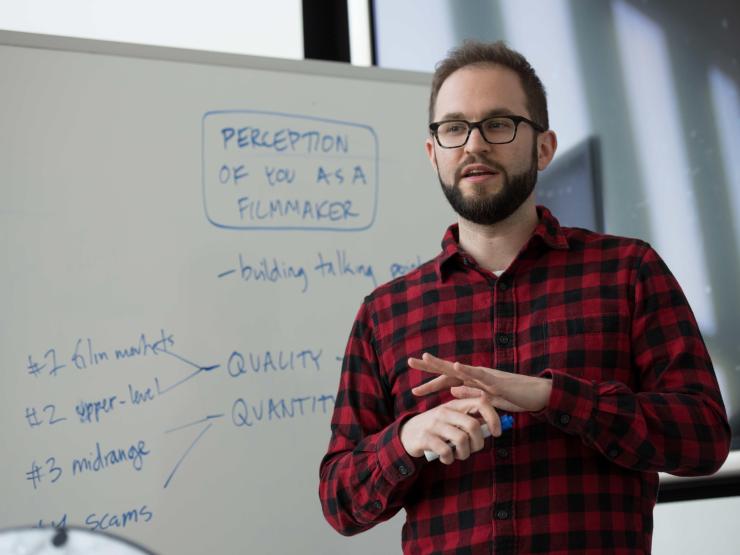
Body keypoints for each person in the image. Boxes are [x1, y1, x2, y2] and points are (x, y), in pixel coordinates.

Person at [318, 40, 730, 554]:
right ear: (434, 154)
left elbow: (703, 439)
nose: (473, 145)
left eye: (497, 124)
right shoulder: (385, 313)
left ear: (543, 147)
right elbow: (339, 502)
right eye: (454, 128)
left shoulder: (628, 271)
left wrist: (555, 397)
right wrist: (406, 440)